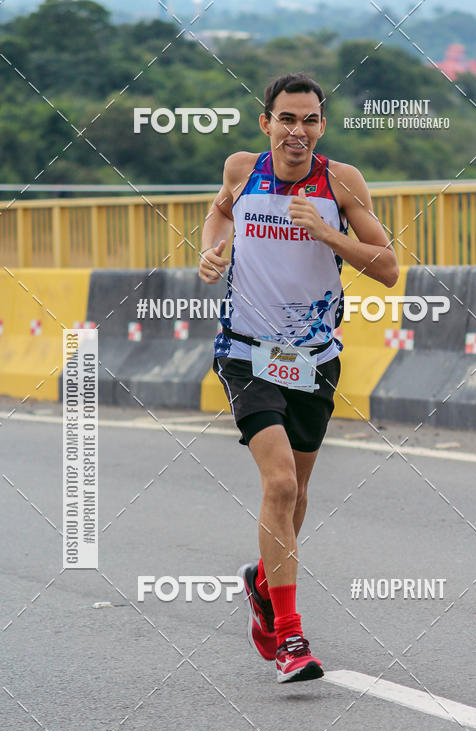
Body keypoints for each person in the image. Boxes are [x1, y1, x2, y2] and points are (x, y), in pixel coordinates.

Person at [199, 73, 399, 683]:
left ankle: (263, 582)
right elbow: (218, 213)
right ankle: (290, 638)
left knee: (299, 493)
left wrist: (327, 232)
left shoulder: (341, 183)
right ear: (266, 124)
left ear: (321, 126)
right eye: (287, 118)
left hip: (313, 359)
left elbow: (388, 268)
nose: (298, 131)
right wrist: (212, 250)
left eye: (310, 120)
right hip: (246, 352)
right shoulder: (241, 169)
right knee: (280, 484)